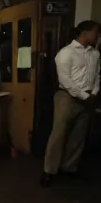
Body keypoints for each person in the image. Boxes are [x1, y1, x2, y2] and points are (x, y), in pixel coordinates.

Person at [41, 20, 100, 187]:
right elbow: (65, 80)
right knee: (58, 134)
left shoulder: (95, 54)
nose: (98, 36)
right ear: (85, 33)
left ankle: (69, 167)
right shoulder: (66, 53)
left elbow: (97, 76)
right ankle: (49, 171)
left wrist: (93, 93)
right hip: (67, 97)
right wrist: (83, 95)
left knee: (78, 136)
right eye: (96, 32)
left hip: (88, 98)